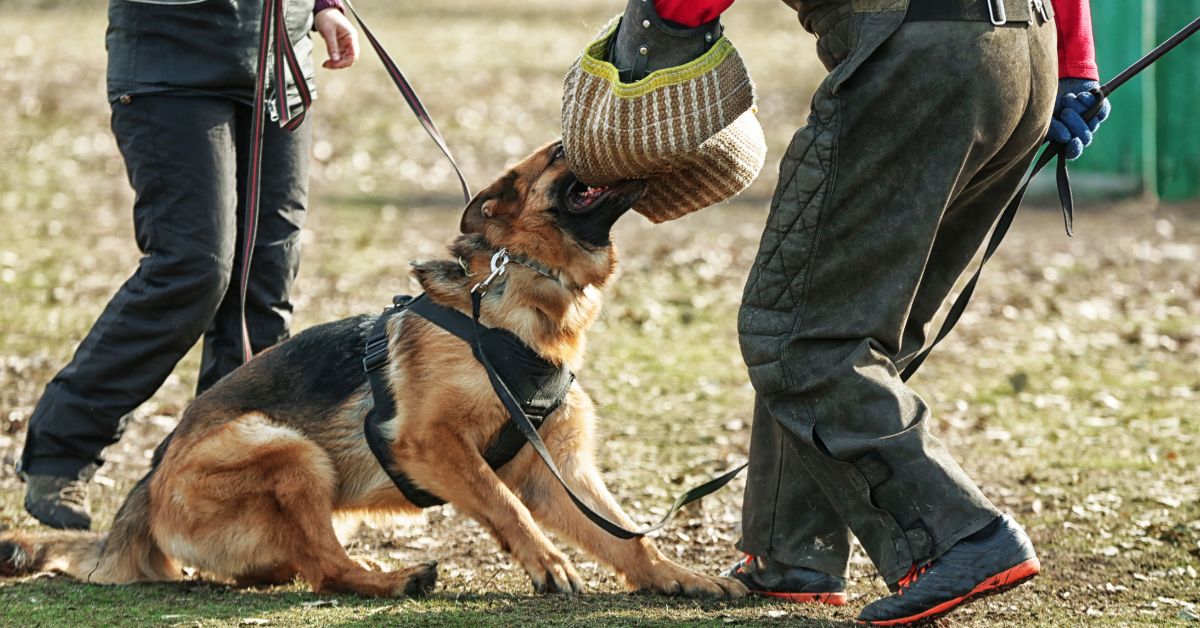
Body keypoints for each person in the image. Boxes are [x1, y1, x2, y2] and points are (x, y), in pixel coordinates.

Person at [567, 0, 1110, 624]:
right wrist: (1075, 65)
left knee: (799, 333)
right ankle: (793, 556)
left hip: (919, 58)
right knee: (846, 317)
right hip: (1024, 54)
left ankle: (959, 537)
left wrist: (659, 39)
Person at [18, 0, 360, 531]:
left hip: (277, 60)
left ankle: (223, 480)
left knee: (263, 281)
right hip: (169, 64)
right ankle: (62, 452)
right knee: (194, 269)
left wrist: (322, 6)